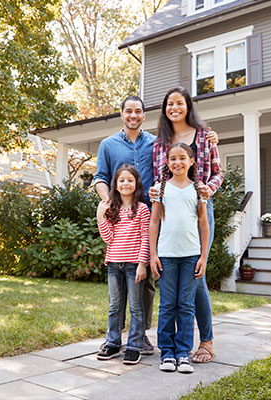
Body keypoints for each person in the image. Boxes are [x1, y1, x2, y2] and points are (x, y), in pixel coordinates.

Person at [94, 95, 219, 355]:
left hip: (178, 211)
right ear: (121, 114)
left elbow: (209, 171)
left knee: (187, 276)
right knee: (145, 274)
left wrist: (207, 187)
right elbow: (102, 178)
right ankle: (127, 337)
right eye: (128, 111)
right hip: (140, 217)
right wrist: (109, 205)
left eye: (138, 111)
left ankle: (197, 341)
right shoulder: (133, 143)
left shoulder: (174, 139)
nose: (133, 115)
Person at [150, 86, 223, 364]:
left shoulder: (204, 135)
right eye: (170, 104)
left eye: (180, 103)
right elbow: (158, 178)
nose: (175, 108)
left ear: (188, 106)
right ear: (165, 109)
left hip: (199, 206)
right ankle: (173, 347)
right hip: (169, 210)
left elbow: (218, 173)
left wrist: (207, 190)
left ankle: (206, 342)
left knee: (198, 275)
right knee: (172, 294)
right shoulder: (160, 142)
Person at [149, 143, 209, 373]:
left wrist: (203, 256)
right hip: (167, 255)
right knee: (167, 305)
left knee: (185, 305)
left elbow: (203, 224)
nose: (177, 162)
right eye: (173, 158)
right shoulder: (160, 189)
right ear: (167, 162)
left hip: (191, 255)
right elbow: (154, 222)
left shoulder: (198, 190)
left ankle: (183, 353)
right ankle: (167, 352)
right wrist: (153, 254)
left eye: (182, 158)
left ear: (192, 161)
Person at [96, 165, 150, 365]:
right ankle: (113, 343)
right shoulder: (112, 209)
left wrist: (142, 264)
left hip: (133, 265)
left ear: (136, 184)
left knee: (136, 307)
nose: (125, 183)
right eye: (121, 180)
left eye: (130, 180)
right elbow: (108, 238)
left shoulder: (142, 209)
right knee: (114, 306)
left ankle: (134, 346)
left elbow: (145, 238)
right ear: (116, 185)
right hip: (113, 264)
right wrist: (100, 216)